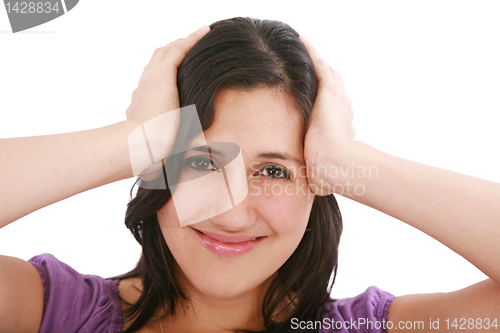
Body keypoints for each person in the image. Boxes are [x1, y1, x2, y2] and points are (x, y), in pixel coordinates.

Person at [0, 16, 499, 333]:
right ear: (160, 173)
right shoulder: (52, 313)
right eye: (201, 161)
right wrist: (137, 139)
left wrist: (346, 159)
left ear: (321, 184)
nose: (232, 212)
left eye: (276, 171)